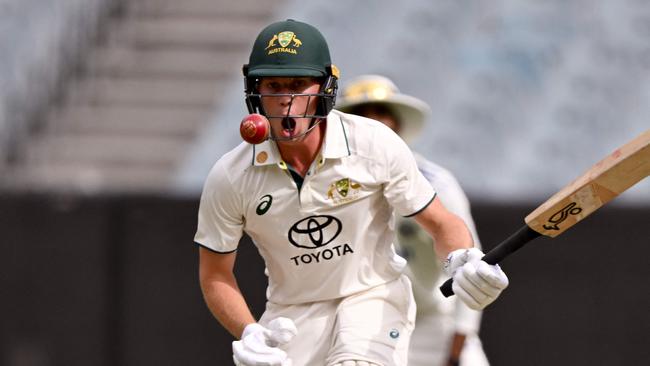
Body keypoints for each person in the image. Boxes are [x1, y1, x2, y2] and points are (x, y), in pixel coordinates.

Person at [194, 19, 509, 366]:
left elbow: (440, 222)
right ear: (255, 90)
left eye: (298, 85)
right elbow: (215, 275)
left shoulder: (373, 144)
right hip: (292, 315)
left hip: (373, 297)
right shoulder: (231, 175)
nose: (286, 101)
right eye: (274, 85)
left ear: (324, 89)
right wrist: (249, 330)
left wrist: (461, 257)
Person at [336, 75, 490, 366]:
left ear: (397, 123)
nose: (374, 124)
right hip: (366, 329)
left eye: (381, 114)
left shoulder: (435, 182)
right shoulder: (326, 187)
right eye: (363, 116)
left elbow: (471, 262)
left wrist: (459, 340)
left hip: (435, 324)